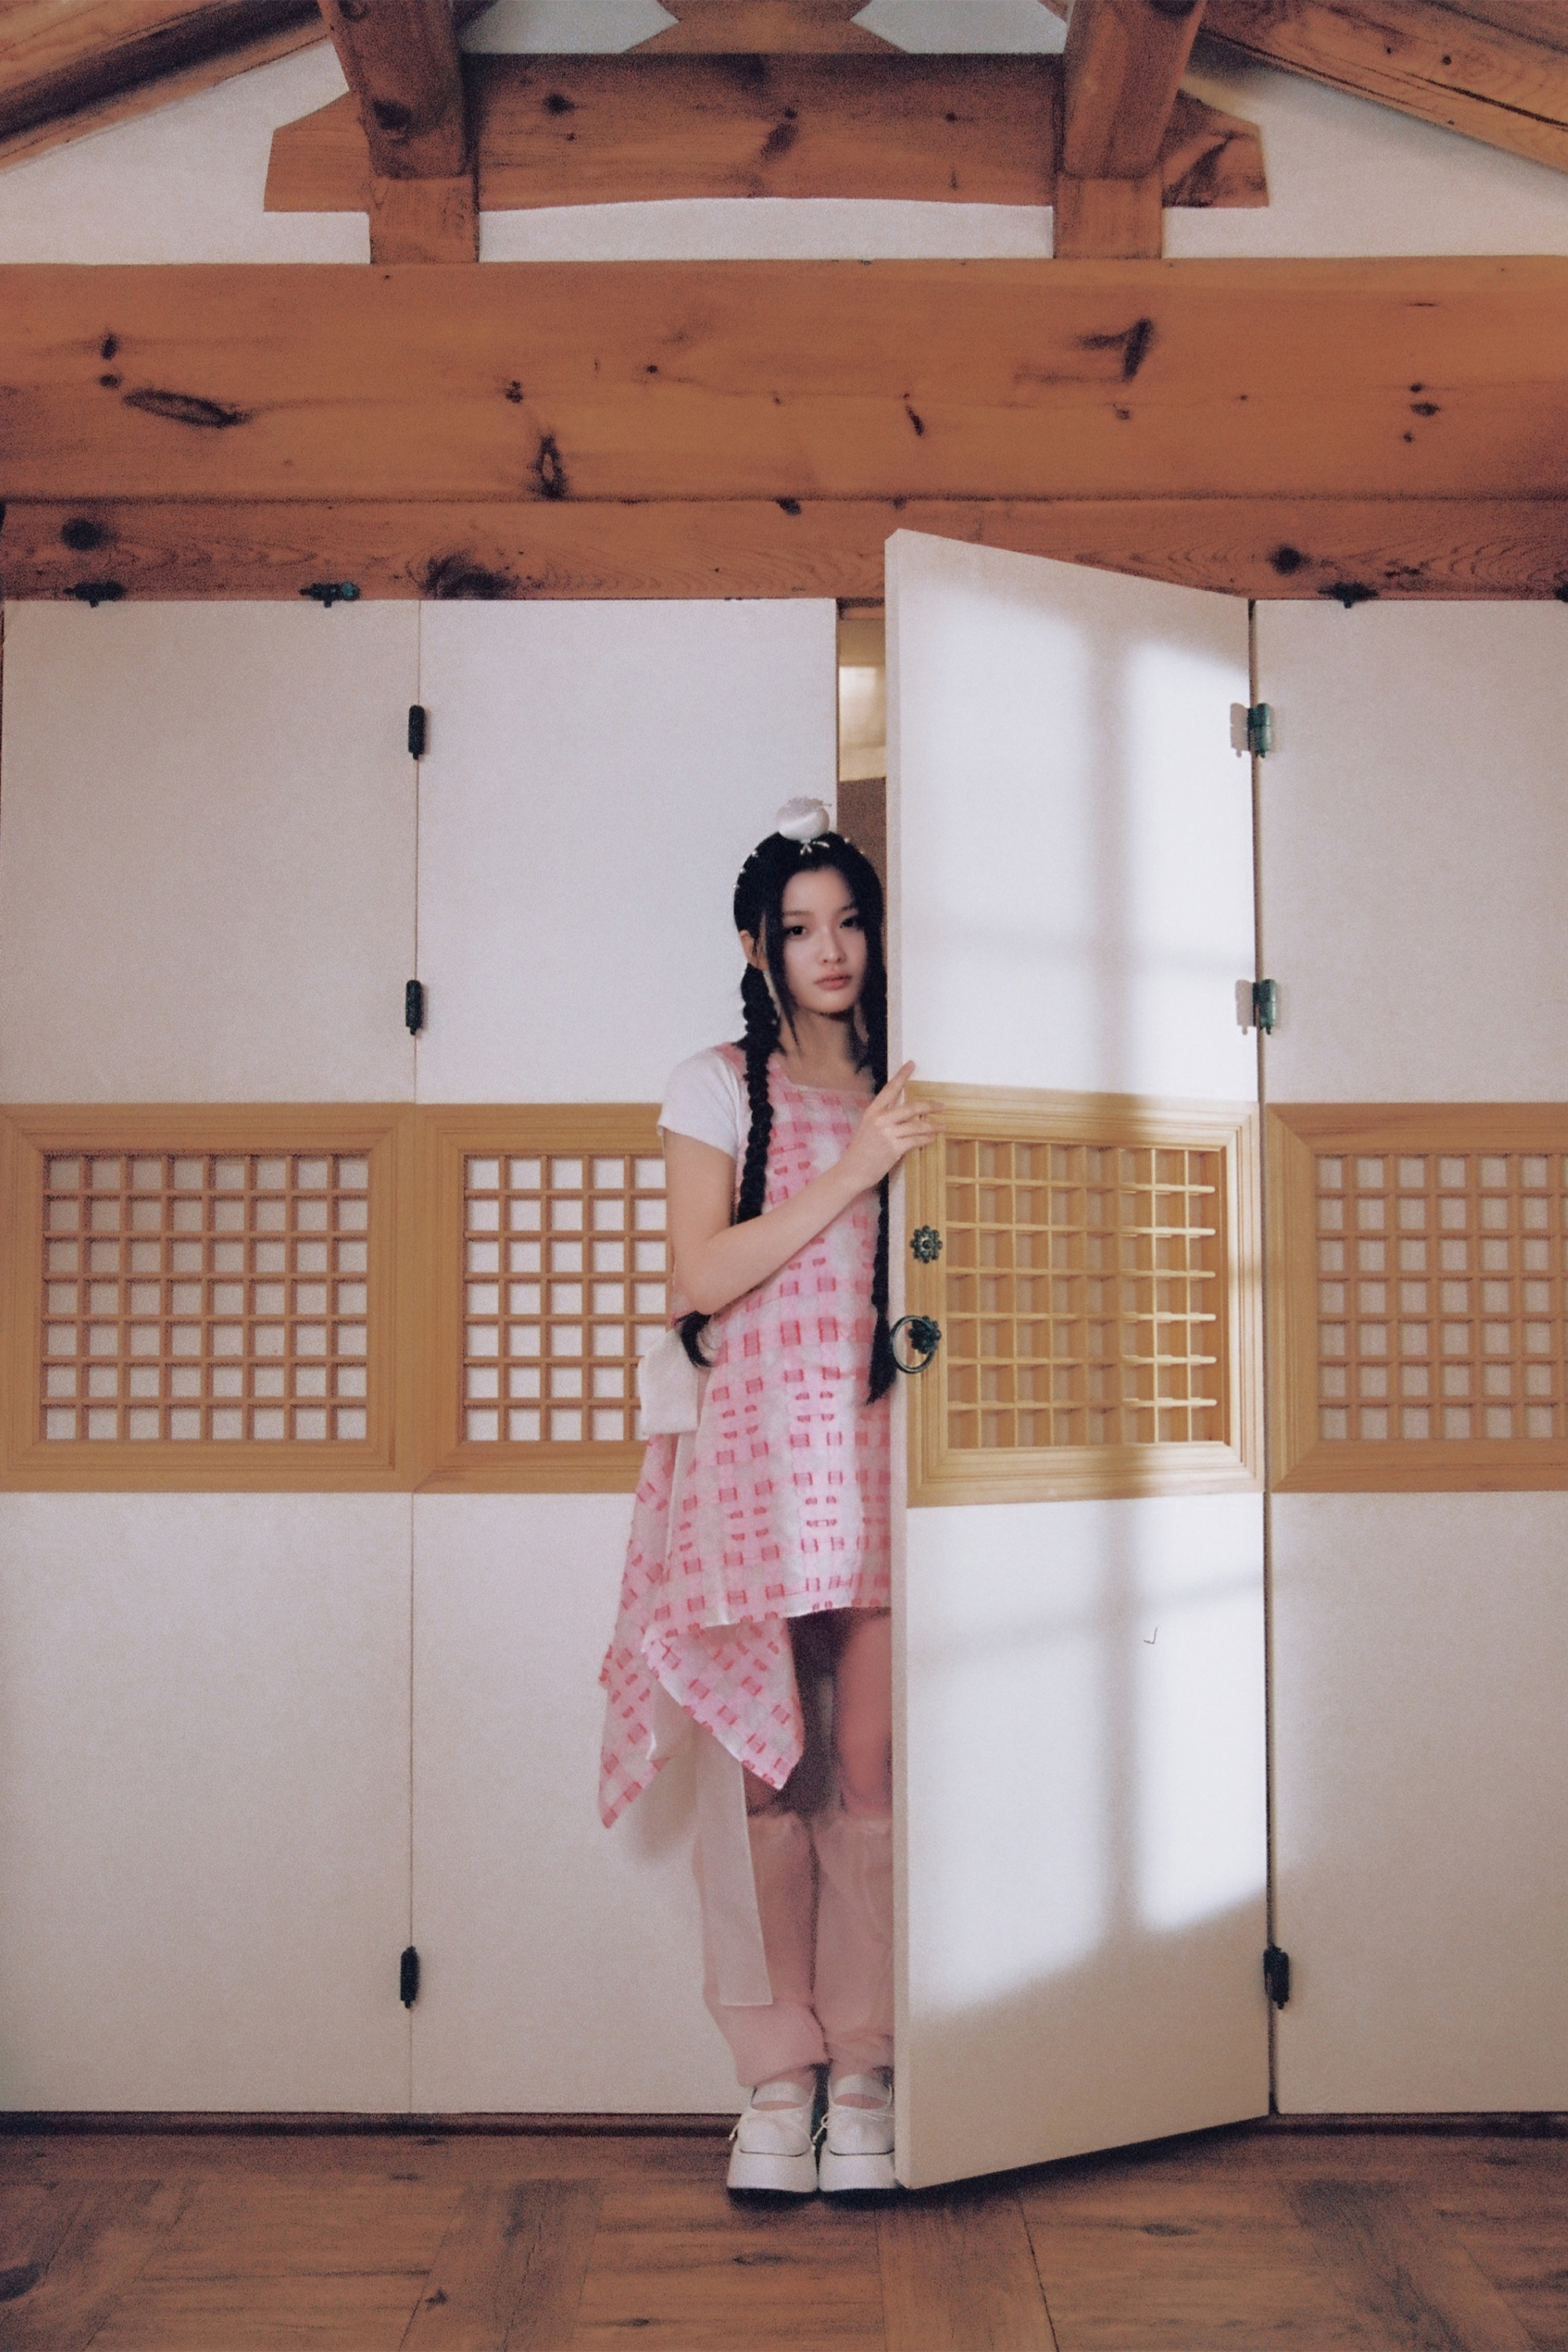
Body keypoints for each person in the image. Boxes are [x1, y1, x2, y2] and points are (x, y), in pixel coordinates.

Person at [599, 797, 937, 2193]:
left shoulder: (913, 1086)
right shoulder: (716, 1086)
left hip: (882, 1456)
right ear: (759, 947)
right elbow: (699, 1276)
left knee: (870, 1770)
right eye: (800, 929)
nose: (831, 949)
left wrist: (885, 1144)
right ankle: (775, 2076)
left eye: (850, 921)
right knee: (762, 1775)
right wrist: (857, 1168)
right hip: (754, 1465)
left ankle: (864, 2065)